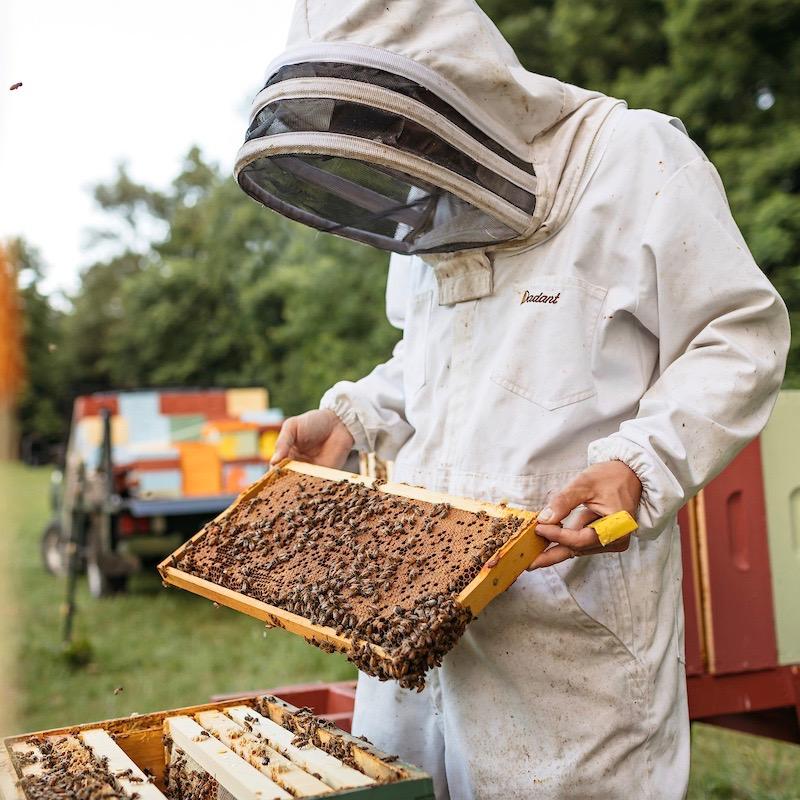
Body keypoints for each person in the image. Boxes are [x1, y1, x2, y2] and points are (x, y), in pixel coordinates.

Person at [237, 1, 790, 797]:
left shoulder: (634, 159)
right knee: (403, 783)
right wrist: (351, 415)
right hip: (408, 608)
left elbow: (738, 335)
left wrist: (642, 466)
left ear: (451, 88)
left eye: (393, 126)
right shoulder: (427, 207)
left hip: (568, 628)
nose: (396, 158)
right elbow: (431, 362)